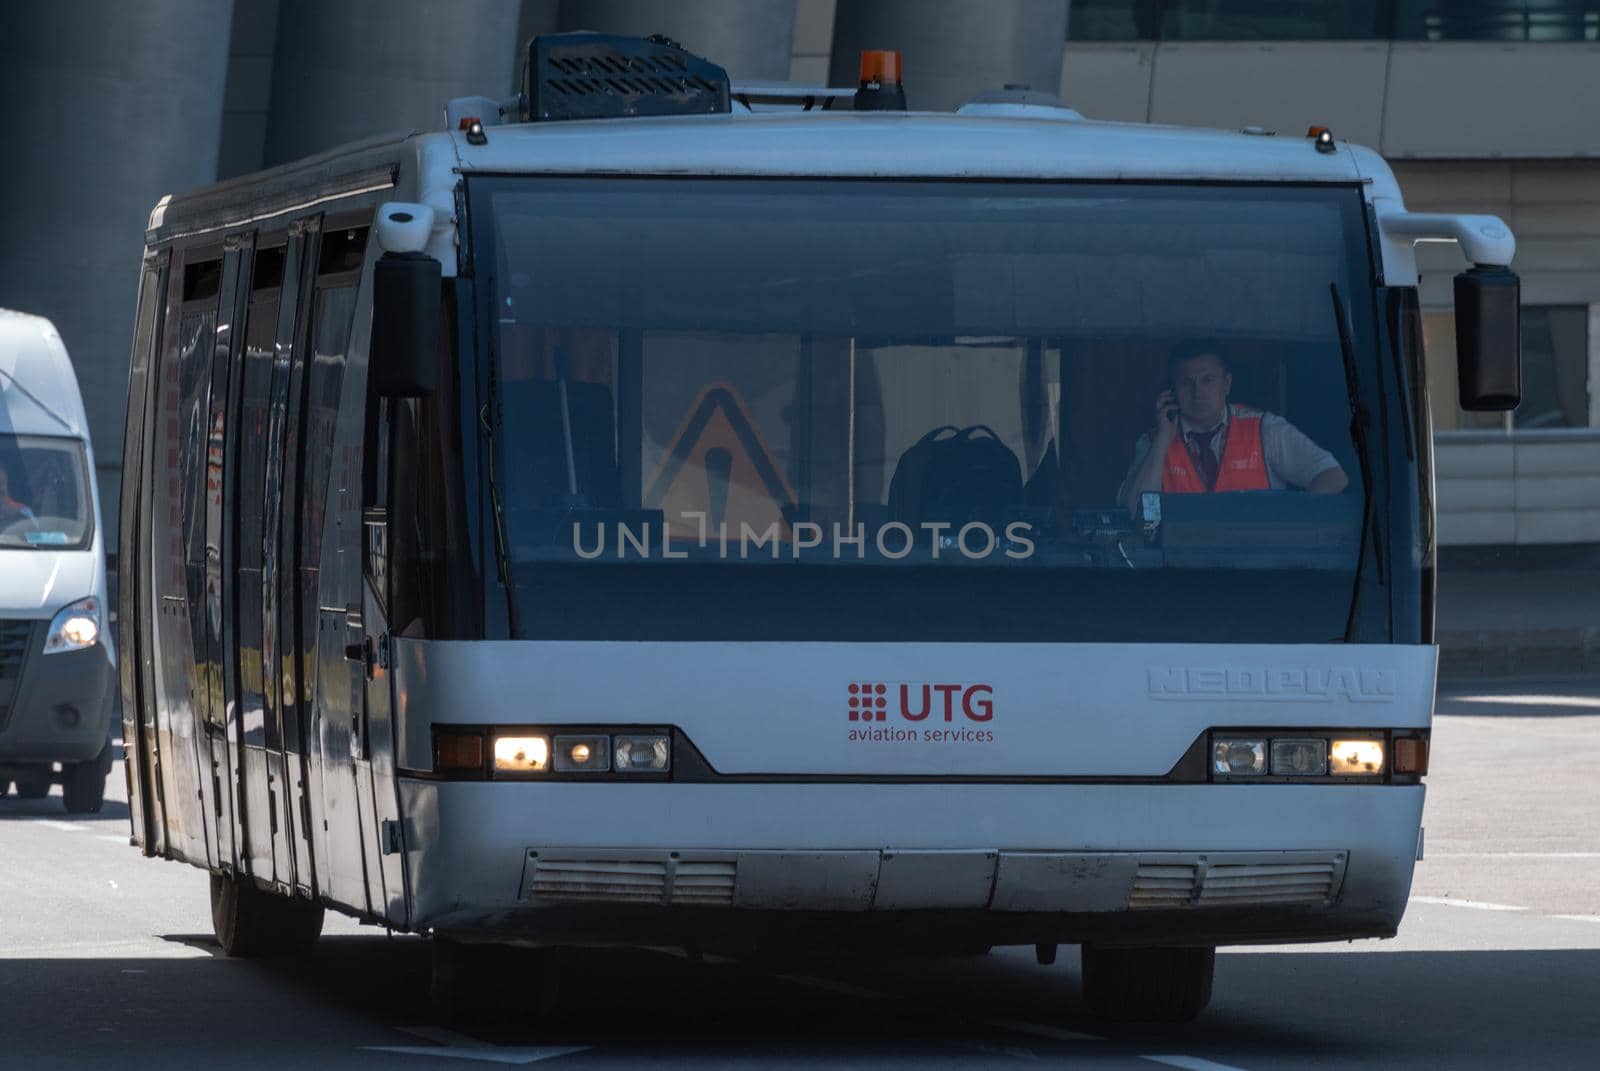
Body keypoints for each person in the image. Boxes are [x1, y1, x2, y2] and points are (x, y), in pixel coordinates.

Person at [1120, 343, 1348, 516]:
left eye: (1207, 380)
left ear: (1227, 384)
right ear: (1172, 391)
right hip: (1181, 567)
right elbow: (1132, 512)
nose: (1197, 392)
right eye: (1186, 383)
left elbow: (1333, 477)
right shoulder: (1155, 440)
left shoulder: (1264, 429)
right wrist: (1162, 441)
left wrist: (1289, 523)